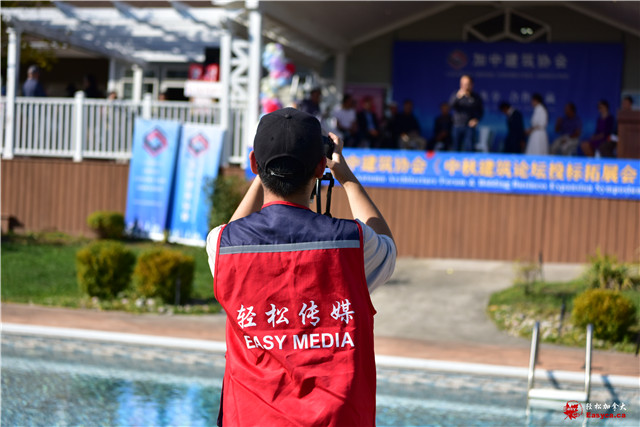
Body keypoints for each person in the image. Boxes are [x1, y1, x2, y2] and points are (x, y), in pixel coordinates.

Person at [205, 107, 396, 426]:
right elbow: (387, 246)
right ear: (321, 167)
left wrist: (263, 172)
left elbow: (233, 231)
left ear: (253, 164)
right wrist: (345, 177)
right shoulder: (353, 243)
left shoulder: (224, 245)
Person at [450, 74, 483, 152]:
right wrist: (458, 97)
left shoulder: (475, 97)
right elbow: (450, 106)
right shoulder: (457, 95)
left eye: (467, 84)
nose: (465, 86)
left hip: (469, 126)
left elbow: (480, 111)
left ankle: (469, 160)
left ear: (471, 84)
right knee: (455, 148)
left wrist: (476, 119)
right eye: (463, 84)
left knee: (469, 147)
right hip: (457, 125)